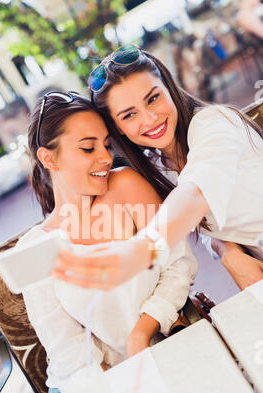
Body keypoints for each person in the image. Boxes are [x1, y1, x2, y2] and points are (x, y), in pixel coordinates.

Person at [16, 91, 197, 393]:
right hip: (88, 383)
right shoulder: (33, 249)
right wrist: (121, 390)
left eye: (106, 144)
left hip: (161, 349)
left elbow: (179, 263)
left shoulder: (125, 186)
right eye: (88, 148)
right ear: (48, 158)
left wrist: (142, 333)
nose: (105, 157)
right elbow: (67, 347)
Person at [54, 45, 263, 292]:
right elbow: (203, 219)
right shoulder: (157, 167)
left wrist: (138, 253)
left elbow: (196, 194)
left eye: (153, 98)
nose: (149, 118)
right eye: (129, 115)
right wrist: (225, 249)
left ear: (169, 88)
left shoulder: (214, 124)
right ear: (118, 127)